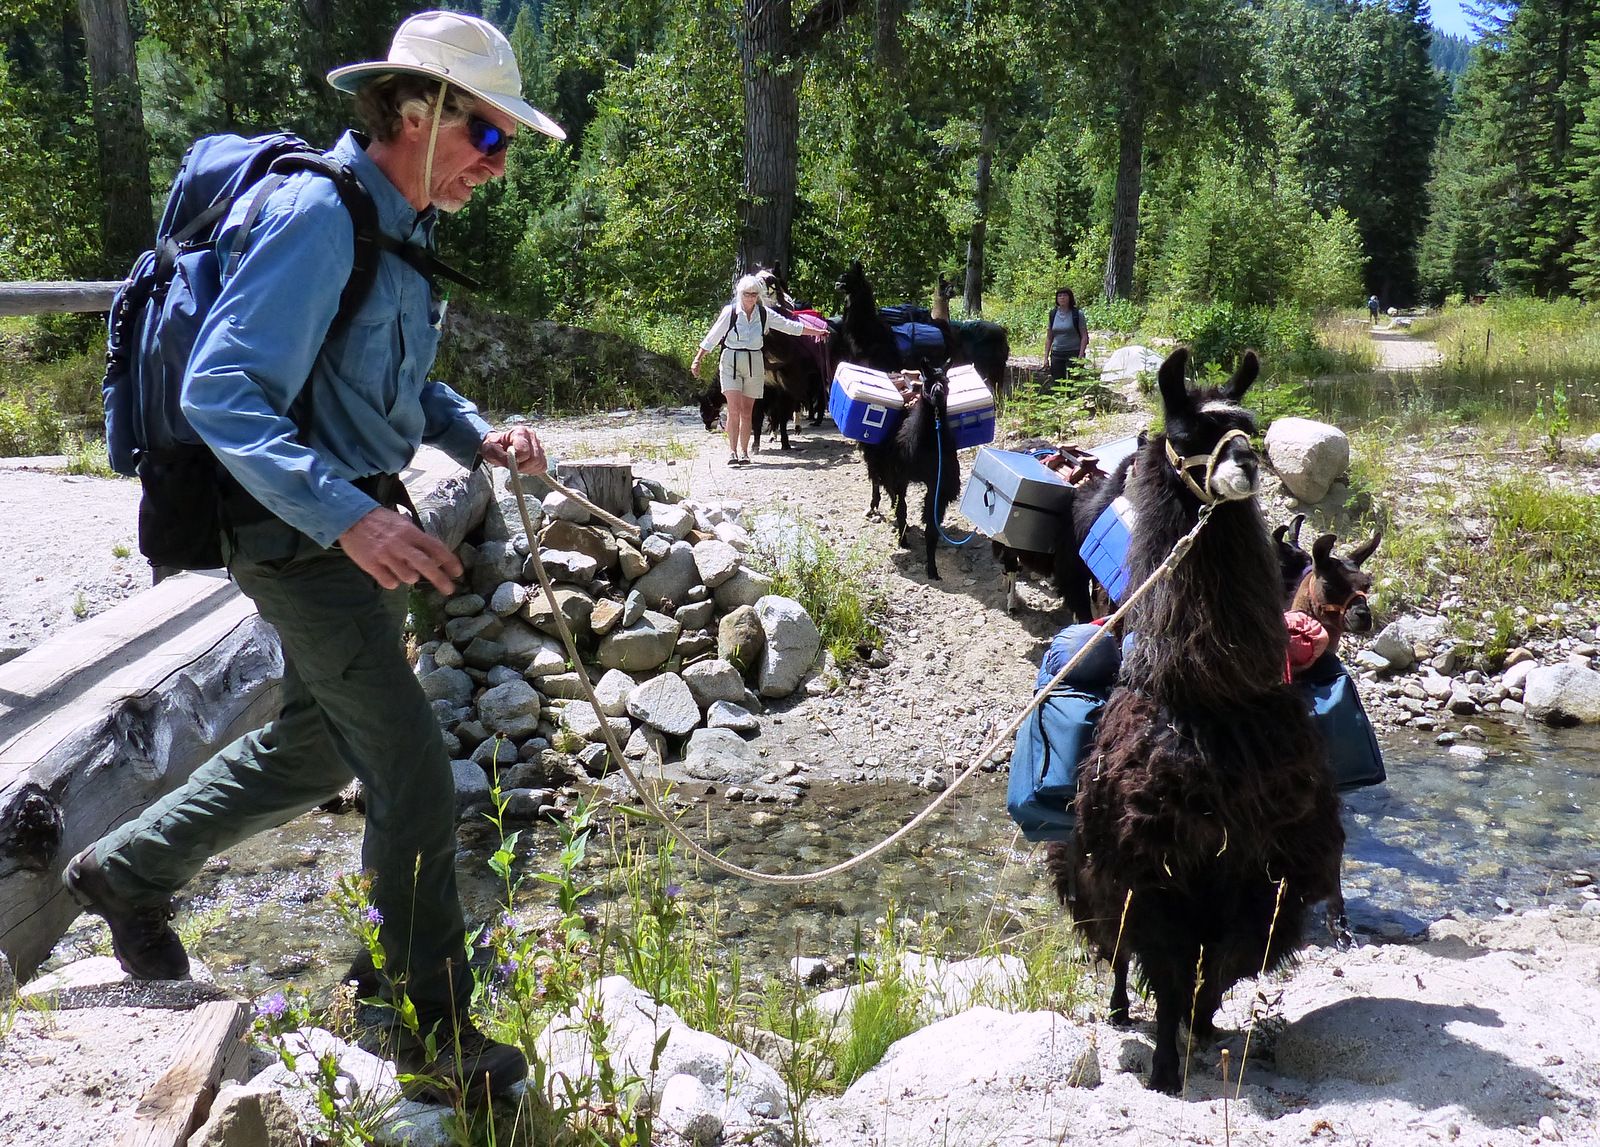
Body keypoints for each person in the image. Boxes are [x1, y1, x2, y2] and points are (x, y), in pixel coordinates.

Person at [61, 11, 564, 1106]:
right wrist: (351, 520)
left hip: (341, 525)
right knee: (412, 769)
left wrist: (476, 434)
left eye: (506, 144)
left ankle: (127, 871)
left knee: (317, 745)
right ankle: (423, 1025)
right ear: (418, 111)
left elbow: (390, 381)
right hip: (297, 535)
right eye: (487, 135)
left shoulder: (391, 225)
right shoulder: (318, 216)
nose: (497, 164)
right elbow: (222, 392)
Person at [690, 274, 826, 466]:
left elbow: (789, 327)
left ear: (758, 295)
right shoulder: (730, 312)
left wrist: (817, 332)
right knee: (734, 410)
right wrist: (697, 360)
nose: (750, 297)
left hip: (754, 362)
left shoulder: (763, 313)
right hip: (731, 361)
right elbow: (712, 338)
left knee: (747, 411)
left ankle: (745, 453)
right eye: (747, 294)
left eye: (754, 294)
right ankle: (732, 452)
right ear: (740, 294)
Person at [1043, 287, 1089, 387]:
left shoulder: (1077, 314)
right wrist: (1046, 357)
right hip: (1057, 353)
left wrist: (1081, 355)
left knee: (1072, 383)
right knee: (1057, 383)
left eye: (1065, 295)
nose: (1062, 298)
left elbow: (1084, 336)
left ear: (1070, 298)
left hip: (1073, 353)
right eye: (1059, 296)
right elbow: (1049, 337)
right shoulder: (1053, 314)